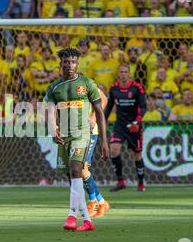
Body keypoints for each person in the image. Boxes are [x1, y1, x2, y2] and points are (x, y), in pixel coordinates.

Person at [46, 48, 109, 232]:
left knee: (76, 169)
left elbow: (99, 111)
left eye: (73, 62)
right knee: (72, 178)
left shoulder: (87, 83)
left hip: (82, 134)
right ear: (61, 64)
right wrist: (53, 129)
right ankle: (88, 221)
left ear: (78, 64)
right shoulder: (54, 88)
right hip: (63, 137)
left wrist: (104, 140)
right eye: (66, 62)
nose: (70, 65)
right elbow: (50, 111)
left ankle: (72, 216)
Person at [104, 64, 147, 192]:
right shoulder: (114, 88)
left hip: (134, 125)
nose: (123, 74)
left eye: (125, 72)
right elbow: (109, 107)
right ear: (118, 74)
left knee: (137, 154)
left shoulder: (137, 88)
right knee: (114, 149)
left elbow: (143, 107)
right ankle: (121, 181)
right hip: (120, 125)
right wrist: (103, 120)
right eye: (121, 72)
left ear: (129, 74)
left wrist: (137, 122)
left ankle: (140, 183)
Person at [84, 87, 111, 218]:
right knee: (78, 170)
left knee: (82, 167)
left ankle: (93, 202)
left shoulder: (86, 83)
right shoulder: (61, 86)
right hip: (73, 132)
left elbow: (104, 99)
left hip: (89, 132)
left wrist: (93, 117)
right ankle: (101, 201)